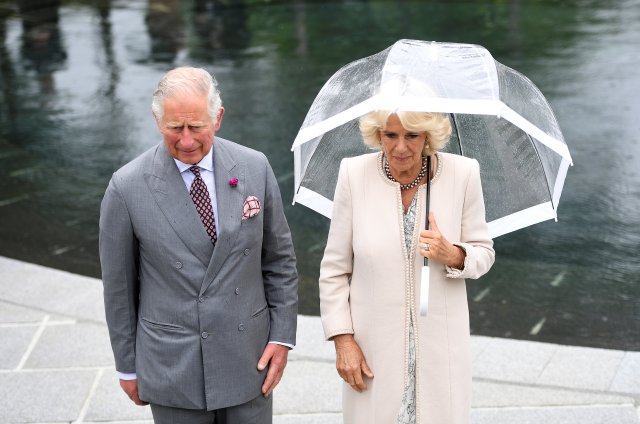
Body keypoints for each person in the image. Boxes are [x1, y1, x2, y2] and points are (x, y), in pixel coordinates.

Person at [99, 66, 298, 424]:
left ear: (218, 117)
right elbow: (119, 288)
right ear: (158, 121)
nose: (187, 140)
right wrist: (127, 367)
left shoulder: (255, 167)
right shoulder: (126, 187)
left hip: (249, 360)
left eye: (197, 127)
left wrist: (282, 337)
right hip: (174, 368)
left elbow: (280, 262)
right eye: (176, 128)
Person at [319, 109, 495, 424]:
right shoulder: (353, 174)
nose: (400, 147)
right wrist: (342, 339)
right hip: (373, 352)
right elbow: (334, 269)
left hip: (440, 352)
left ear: (428, 136)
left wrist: (452, 252)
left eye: (412, 136)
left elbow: (483, 253)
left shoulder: (464, 173)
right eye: (391, 135)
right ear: (378, 135)